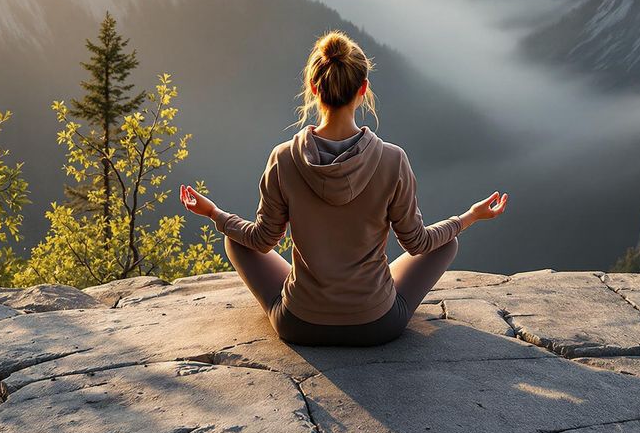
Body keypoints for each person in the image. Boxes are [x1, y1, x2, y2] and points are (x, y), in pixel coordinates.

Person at [180, 30, 508, 346]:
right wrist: (469, 217)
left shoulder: (283, 158)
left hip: (299, 324)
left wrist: (213, 212)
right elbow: (419, 243)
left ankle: (313, 297)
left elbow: (262, 241)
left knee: (235, 240)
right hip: (376, 326)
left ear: (312, 87)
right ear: (363, 89)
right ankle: (368, 294)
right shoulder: (392, 159)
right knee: (446, 243)